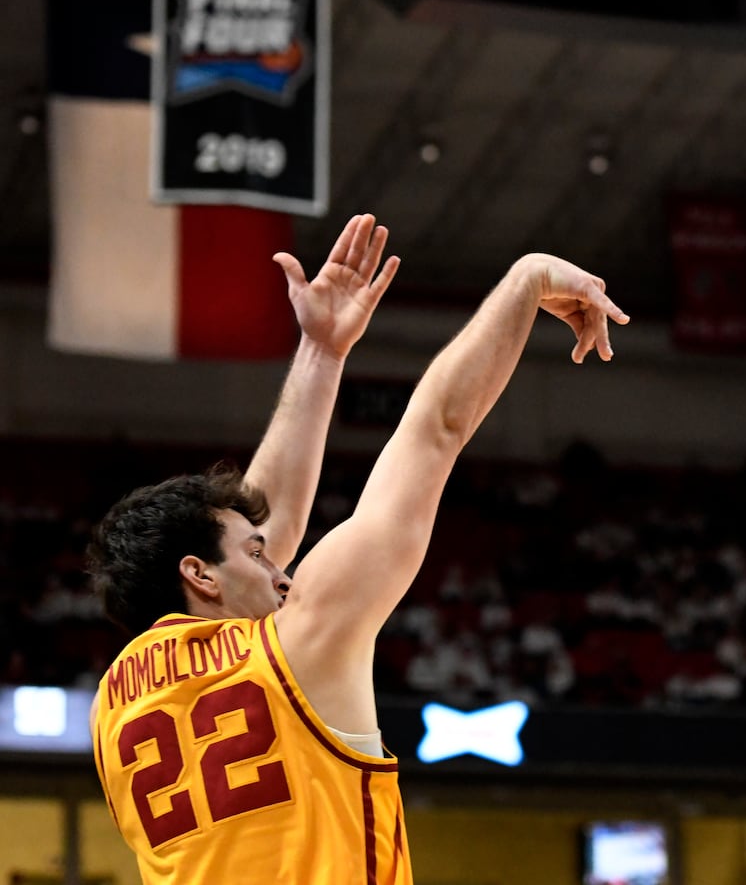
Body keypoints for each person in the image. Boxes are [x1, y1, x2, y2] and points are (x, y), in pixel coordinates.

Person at [86, 218, 627, 885]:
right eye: (260, 556)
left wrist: (322, 349)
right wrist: (526, 280)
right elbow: (437, 430)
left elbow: (265, 525)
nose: (281, 573)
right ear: (196, 573)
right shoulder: (297, 644)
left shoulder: (113, 708)